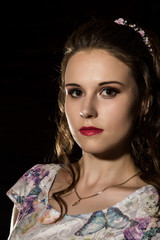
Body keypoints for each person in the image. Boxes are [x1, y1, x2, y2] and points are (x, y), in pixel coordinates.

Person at [7, 17, 160, 239]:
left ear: (144, 102)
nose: (87, 110)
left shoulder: (150, 211)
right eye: (76, 92)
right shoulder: (36, 183)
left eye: (108, 91)